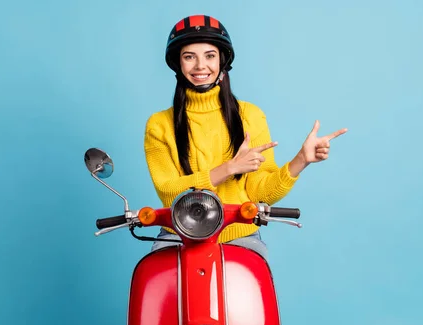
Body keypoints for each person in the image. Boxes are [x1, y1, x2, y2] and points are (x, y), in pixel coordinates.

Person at [143, 15, 347, 259]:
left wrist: (300, 161)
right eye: (190, 56)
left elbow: (260, 193)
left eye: (209, 55)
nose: (200, 66)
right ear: (178, 63)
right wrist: (229, 168)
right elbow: (168, 191)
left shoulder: (250, 116)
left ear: (222, 61)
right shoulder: (160, 124)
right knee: (156, 286)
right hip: (177, 235)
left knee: (253, 290)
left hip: (238, 234)